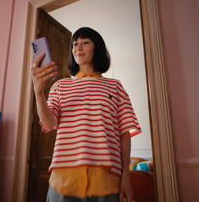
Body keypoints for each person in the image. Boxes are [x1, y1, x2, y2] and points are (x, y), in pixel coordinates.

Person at [31, 27, 142, 202]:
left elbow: (124, 133)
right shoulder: (60, 86)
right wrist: (38, 93)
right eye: (75, 44)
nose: (78, 47)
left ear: (97, 47)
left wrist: (126, 178)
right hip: (63, 181)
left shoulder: (115, 86)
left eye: (85, 42)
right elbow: (49, 123)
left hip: (106, 181)